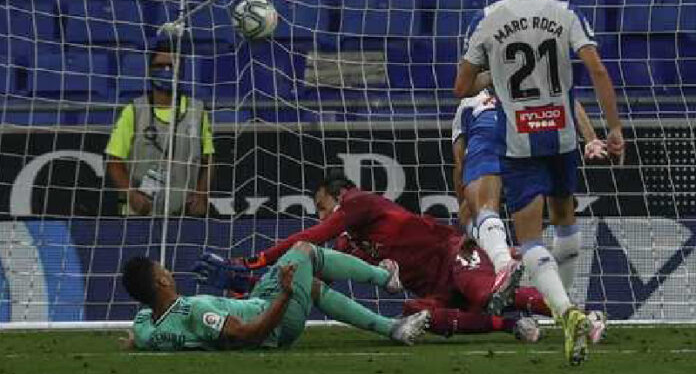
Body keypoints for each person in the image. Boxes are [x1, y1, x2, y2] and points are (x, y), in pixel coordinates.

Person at [453, 0, 624, 365]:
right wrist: (613, 129)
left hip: (520, 140)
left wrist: (496, 76)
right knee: (565, 221)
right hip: (565, 135)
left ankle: (564, 313)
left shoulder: (488, 19)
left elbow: (461, 88)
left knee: (529, 238)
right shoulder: (564, 12)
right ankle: (564, 314)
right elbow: (598, 69)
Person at [195, 171, 553, 342]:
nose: (322, 216)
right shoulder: (350, 246)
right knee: (418, 314)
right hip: (435, 287)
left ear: (340, 195)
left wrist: (255, 260)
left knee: (481, 293)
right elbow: (307, 279)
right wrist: (251, 283)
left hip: (453, 253)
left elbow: (311, 237)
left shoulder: (359, 202)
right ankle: (512, 325)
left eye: (323, 207)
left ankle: (568, 313)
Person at [451, 85, 608, 321]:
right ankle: (564, 310)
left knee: (476, 213)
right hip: (529, 136)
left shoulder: (466, 105)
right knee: (560, 219)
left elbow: (460, 165)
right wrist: (592, 138)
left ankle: (503, 262)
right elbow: (570, 100)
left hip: (489, 139)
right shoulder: (530, 85)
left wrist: (465, 217)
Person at [119, 243, 430, 351]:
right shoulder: (196, 310)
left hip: (258, 302)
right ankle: (384, 277)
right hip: (273, 321)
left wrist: (135, 340)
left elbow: (140, 334)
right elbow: (247, 334)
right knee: (306, 251)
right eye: (164, 269)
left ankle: (393, 328)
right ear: (161, 280)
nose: (168, 270)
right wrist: (282, 295)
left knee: (313, 288)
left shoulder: (147, 325)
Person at [105, 41, 214, 216]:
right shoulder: (133, 111)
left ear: (181, 72)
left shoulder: (198, 111)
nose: (165, 71)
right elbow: (114, 162)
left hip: (183, 216)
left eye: (171, 66)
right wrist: (131, 194)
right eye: (159, 66)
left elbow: (208, 161)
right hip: (139, 214)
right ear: (149, 71)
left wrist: (201, 195)